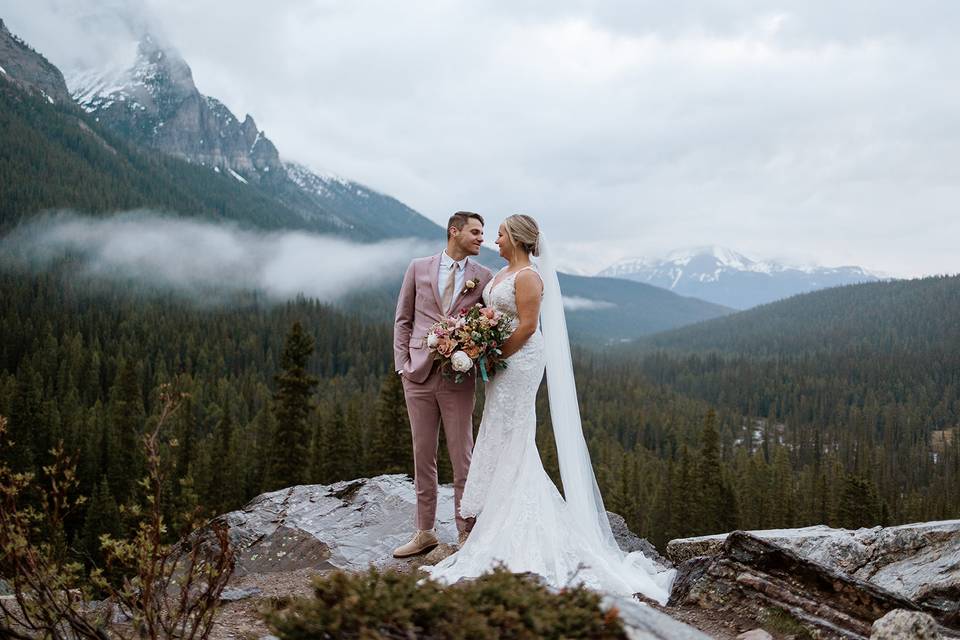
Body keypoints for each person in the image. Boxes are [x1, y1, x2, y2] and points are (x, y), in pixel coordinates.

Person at [423, 214, 675, 603]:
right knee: (497, 429)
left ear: (518, 240)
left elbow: (526, 326)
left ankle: (510, 521)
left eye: (503, 234)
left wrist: (493, 354)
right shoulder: (503, 272)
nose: (497, 239)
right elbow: (491, 316)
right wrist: (474, 343)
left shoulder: (528, 277)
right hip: (502, 361)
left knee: (515, 432)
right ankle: (495, 514)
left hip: (520, 360)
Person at [392, 211, 494, 558]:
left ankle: (467, 532)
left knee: (462, 456)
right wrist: (402, 366)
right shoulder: (418, 267)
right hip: (417, 375)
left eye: (484, 233)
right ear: (455, 231)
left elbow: (489, 325)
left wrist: (474, 350)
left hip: (458, 377)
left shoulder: (484, 277)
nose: (483, 238)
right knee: (423, 455)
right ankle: (424, 532)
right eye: (476, 232)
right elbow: (403, 319)